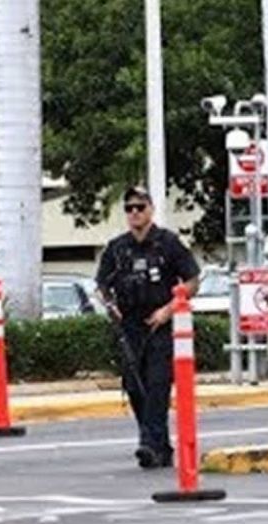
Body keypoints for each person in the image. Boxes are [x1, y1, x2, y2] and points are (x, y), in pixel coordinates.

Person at [96, 187, 201, 469]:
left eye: (139, 207)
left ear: (151, 209)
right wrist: (110, 306)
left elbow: (192, 280)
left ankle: (149, 443)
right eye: (129, 208)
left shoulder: (168, 243)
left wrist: (168, 310)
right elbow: (102, 285)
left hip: (160, 324)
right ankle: (159, 446)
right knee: (134, 386)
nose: (134, 213)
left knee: (157, 385)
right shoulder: (117, 248)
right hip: (130, 325)